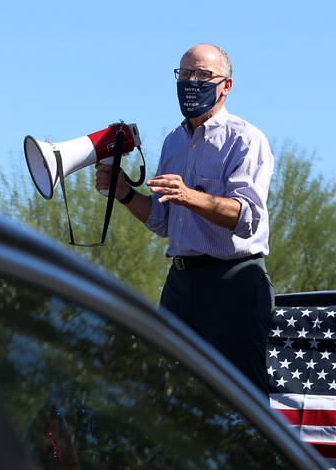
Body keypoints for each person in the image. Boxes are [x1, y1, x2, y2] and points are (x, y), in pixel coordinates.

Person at [96, 43, 274, 394]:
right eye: (184, 74)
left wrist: (189, 195)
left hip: (234, 283)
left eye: (203, 75)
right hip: (181, 285)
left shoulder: (245, 139)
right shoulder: (174, 142)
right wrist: (124, 194)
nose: (191, 82)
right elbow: (163, 220)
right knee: (171, 396)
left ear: (227, 85)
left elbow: (247, 216)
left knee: (240, 399)